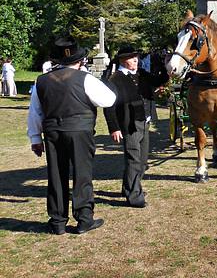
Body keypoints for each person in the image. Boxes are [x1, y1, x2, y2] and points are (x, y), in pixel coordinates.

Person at [26, 37, 116, 235]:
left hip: (53, 131)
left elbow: (35, 112)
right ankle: (84, 219)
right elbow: (109, 99)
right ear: (79, 60)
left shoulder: (41, 81)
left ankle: (57, 221)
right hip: (79, 130)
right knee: (82, 174)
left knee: (56, 175)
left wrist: (35, 139)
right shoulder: (85, 78)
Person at [103, 46, 169, 207]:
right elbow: (108, 107)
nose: (136, 60)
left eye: (136, 57)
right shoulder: (115, 79)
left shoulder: (141, 74)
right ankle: (134, 196)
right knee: (133, 159)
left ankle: (129, 188)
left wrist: (166, 67)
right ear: (122, 61)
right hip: (129, 124)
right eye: (132, 58)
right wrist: (114, 128)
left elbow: (158, 81)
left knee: (143, 161)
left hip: (144, 122)